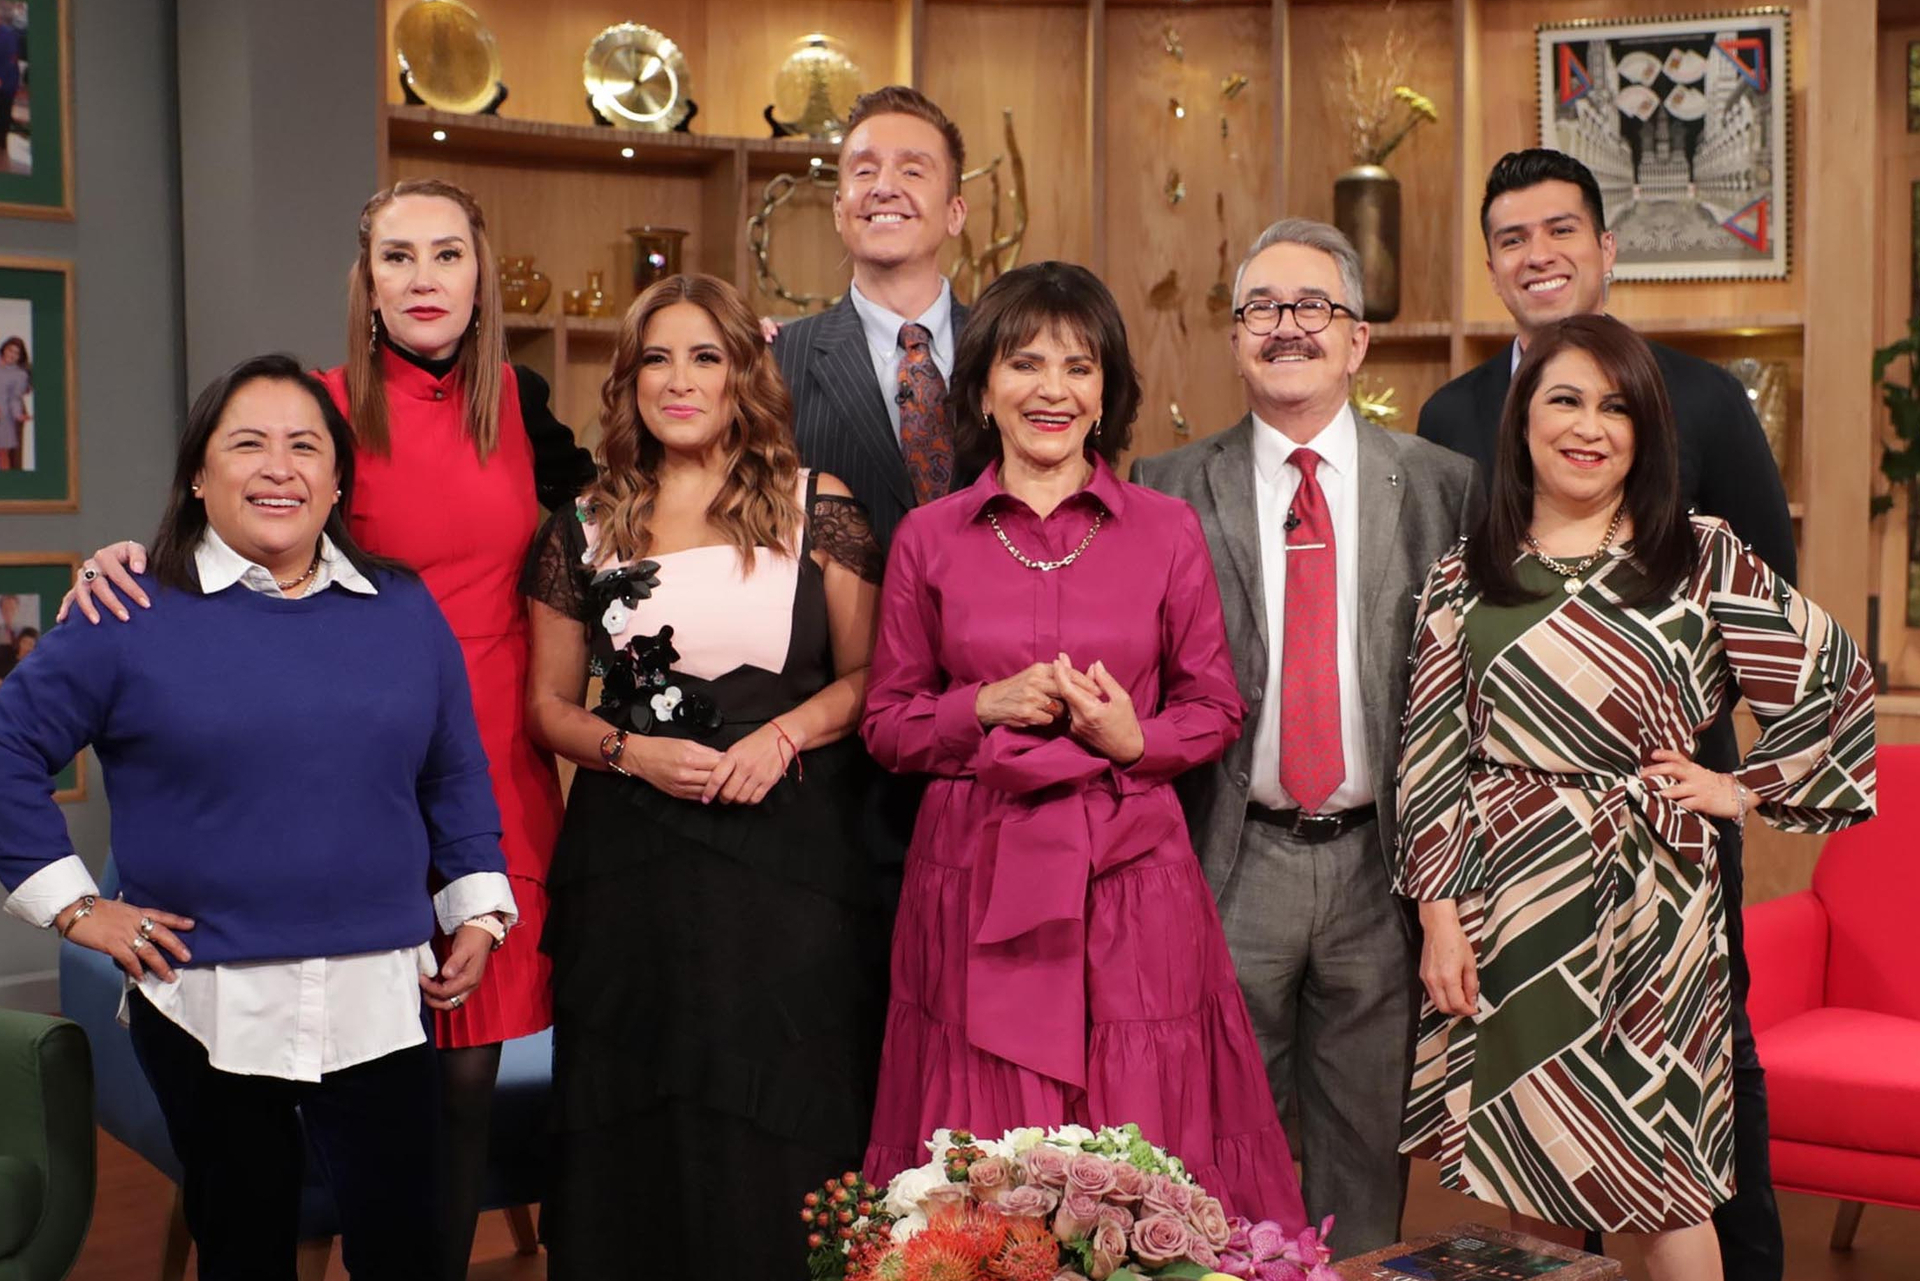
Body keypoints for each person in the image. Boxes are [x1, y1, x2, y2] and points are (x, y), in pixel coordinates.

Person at [58, 177, 596, 1280]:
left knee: (463, 1076)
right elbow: (232, 518)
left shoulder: (521, 399)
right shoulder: (317, 409)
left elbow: (614, 518)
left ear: (481, 276)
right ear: (367, 282)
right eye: (399, 257)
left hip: (494, 766)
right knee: (334, 1074)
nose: (425, 279)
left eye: (448, 254)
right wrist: (123, 560)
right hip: (353, 761)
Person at [0, 354, 516, 1279]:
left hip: (380, 1001)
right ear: (200, 475)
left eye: (305, 446)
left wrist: (475, 903)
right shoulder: (126, 609)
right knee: (244, 1253)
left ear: (338, 479)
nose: (279, 467)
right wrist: (77, 909)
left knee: (407, 1252)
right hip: (209, 1006)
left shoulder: (403, 610)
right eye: (248, 443)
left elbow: (453, 766)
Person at [1397, 314, 1875, 1281]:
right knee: (1535, 1170)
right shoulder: (1466, 571)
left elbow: (1834, 682)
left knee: (1665, 1184)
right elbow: (1433, 754)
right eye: (1565, 400)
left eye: (1616, 407)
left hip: (1655, 904)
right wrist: (1440, 919)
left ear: (1645, 429)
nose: (1590, 426)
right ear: (1523, 419)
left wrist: (1739, 786)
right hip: (1514, 905)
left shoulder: (1698, 553)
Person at [1415, 148, 1795, 1281]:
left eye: (1561, 229)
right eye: (1513, 238)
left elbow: (1785, 627)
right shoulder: (1455, 435)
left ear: (1606, 246)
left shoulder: (1703, 414)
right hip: (1512, 867)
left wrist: (1707, 764)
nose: (1539, 254)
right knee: (1533, 1152)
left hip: (1660, 844)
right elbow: (1438, 702)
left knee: (1685, 1133)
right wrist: (1442, 902)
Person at [862, 260, 1306, 1227]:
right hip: (976, 875)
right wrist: (980, 705)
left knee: (1140, 1148)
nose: (1052, 389)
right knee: (985, 1174)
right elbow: (887, 723)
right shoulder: (929, 537)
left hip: (1129, 880)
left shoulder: (1167, 529)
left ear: (1106, 394)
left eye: (1079, 366)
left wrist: (1133, 736)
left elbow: (1216, 707)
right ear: (983, 388)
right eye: (1025, 364)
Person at [522, 273, 887, 1277]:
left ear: (743, 375)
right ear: (629, 379)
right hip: (630, 864)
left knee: (791, 1104)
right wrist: (629, 750)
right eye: (657, 358)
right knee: (636, 1107)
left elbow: (872, 679)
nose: (679, 381)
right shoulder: (581, 523)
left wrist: (785, 737)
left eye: (705, 357)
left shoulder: (820, 507)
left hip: (792, 859)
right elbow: (547, 706)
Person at [1130, 219, 1479, 1256]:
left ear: (1358, 339)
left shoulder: (1444, 485)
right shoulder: (1164, 486)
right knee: (1217, 1148)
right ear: (1237, 339)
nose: (1288, 327)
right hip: (1232, 858)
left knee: (1365, 1152)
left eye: (1313, 307)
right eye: (1263, 309)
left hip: (1383, 870)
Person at [772, 84, 970, 556]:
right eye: (864, 170)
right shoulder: (774, 360)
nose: (884, 187)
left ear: (954, 213)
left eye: (912, 170)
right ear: (839, 211)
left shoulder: (1008, 348)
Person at [0, 335, 30, 470]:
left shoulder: (19, 374)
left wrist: (18, 414)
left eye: (16, 353)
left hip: (8, 414)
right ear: (4, 349)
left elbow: (16, 397)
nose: (12, 355)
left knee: (6, 454)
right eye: (10, 350)